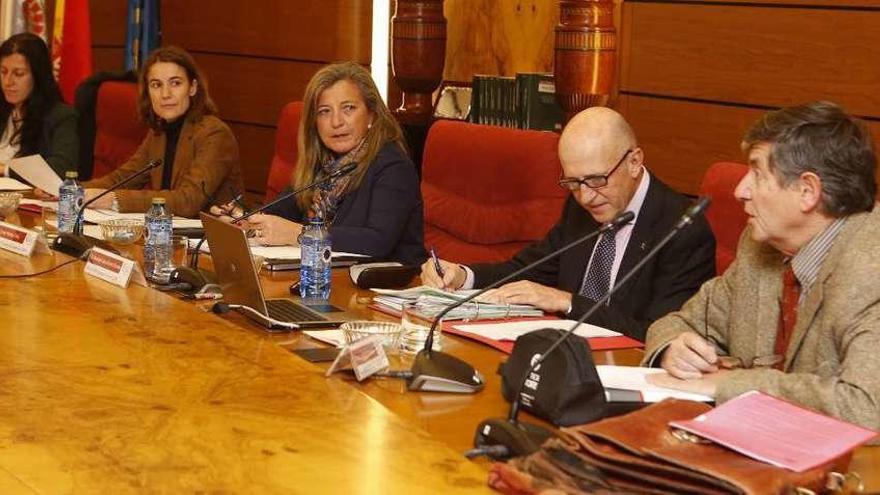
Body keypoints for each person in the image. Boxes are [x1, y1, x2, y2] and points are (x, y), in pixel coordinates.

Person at [645, 101, 880, 433]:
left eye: (757, 173)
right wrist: (674, 349)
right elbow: (678, 323)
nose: (741, 191)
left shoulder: (872, 266)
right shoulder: (760, 248)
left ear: (807, 191)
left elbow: (868, 409)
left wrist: (731, 385)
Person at [421, 107, 716, 341]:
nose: (586, 196)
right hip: (562, 358)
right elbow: (527, 269)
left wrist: (568, 302)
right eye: (573, 183)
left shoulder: (682, 229)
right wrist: (463, 275)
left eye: (597, 180)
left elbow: (660, 333)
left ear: (634, 162)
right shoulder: (581, 206)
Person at [211, 61, 426, 265]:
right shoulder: (325, 165)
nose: (336, 122)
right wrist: (245, 220)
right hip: (330, 279)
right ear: (314, 123)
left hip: (385, 288)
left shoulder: (393, 166)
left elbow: (378, 241)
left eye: (348, 108)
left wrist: (299, 234)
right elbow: (278, 213)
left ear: (371, 115)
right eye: (325, 112)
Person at [83, 46, 242, 218]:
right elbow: (123, 179)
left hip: (207, 239)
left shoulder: (214, 134)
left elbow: (188, 201)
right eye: (156, 85)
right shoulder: (159, 131)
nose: (165, 94)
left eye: (175, 83)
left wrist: (114, 199)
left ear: (192, 88)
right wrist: (67, 189)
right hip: (167, 231)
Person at [0, 32, 77, 179]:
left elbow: (62, 166)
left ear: (38, 76)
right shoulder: (4, 109)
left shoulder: (61, 116)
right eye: (3, 72)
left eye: (19, 73)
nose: (8, 82)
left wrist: (6, 170)